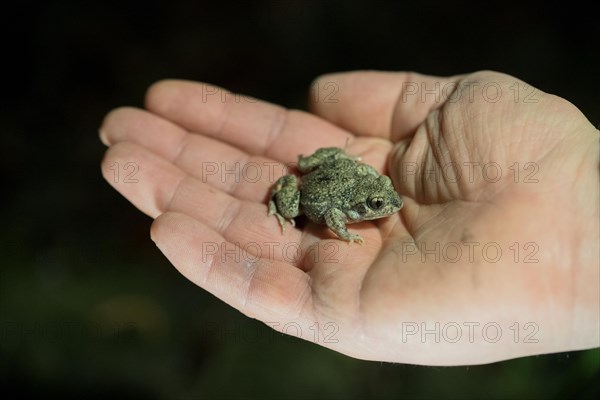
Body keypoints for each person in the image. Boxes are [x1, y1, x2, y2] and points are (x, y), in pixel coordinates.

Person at [99, 70, 599, 365]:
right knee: (290, 197)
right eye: (381, 204)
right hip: (312, 187)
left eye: (383, 199)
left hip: (334, 168)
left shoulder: (376, 187)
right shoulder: (345, 212)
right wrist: (316, 219)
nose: (389, 204)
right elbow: (333, 215)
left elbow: (359, 179)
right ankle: (278, 204)